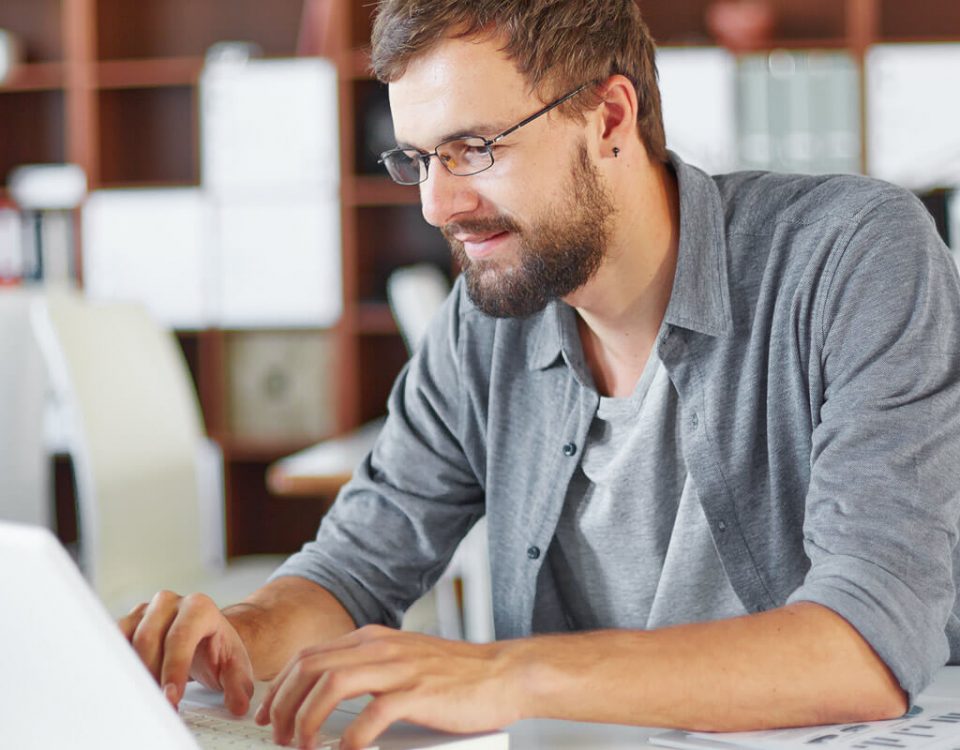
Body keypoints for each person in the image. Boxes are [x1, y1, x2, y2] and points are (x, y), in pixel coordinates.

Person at [122, 1, 960, 748]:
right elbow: (352, 572)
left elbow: (866, 644)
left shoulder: (854, 255)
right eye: (418, 159)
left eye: (473, 149)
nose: (436, 206)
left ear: (609, 117)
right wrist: (235, 636)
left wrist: (509, 674)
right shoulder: (485, 321)